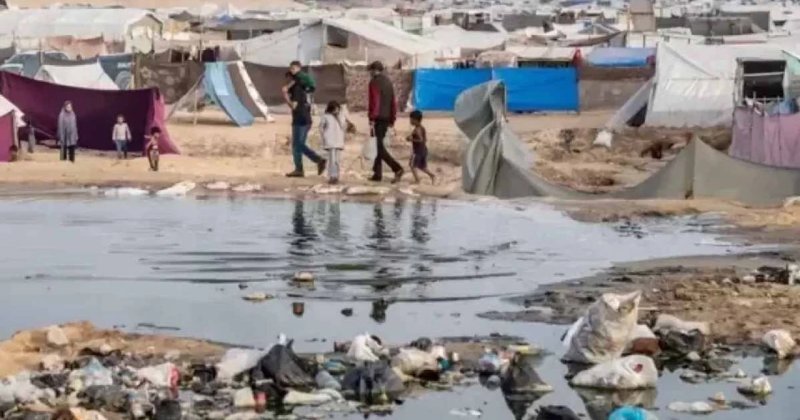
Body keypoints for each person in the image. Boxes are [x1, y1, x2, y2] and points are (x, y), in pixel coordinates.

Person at [283, 70, 325, 177]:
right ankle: (299, 169)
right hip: (302, 120)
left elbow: (294, 106)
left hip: (301, 120)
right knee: (296, 146)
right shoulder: (299, 89)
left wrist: (285, 96)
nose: (286, 83)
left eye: (288, 80)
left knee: (298, 145)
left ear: (292, 80)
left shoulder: (297, 89)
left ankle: (318, 159)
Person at [367, 61, 403, 183]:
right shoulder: (388, 82)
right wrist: (392, 118)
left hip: (378, 118)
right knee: (378, 145)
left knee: (378, 147)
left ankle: (397, 168)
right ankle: (377, 174)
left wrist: (372, 118)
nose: (370, 73)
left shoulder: (374, 82)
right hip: (386, 117)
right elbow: (393, 102)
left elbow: (375, 102)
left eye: (371, 70)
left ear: (374, 70)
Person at [319, 101, 345, 185]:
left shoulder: (341, 117)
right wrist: (324, 136)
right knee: (332, 160)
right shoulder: (326, 116)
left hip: (338, 141)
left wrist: (339, 117)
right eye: (335, 109)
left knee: (337, 160)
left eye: (338, 109)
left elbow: (343, 127)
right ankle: (332, 176)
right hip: (330, 141)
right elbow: (321, 127)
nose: (337, 111)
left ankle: (336, 176)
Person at [407, 110, 435, 185]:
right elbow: (425, 139)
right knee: (422, 167)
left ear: (415, 120)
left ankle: (417, 180)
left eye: (411, 119)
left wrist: (411, 139)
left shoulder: (417, 130)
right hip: (423, 150)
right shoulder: (422, 128)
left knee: (412, 165)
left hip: (418, 151)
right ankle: (432, 175)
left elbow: (420, 140)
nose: (410, 121)